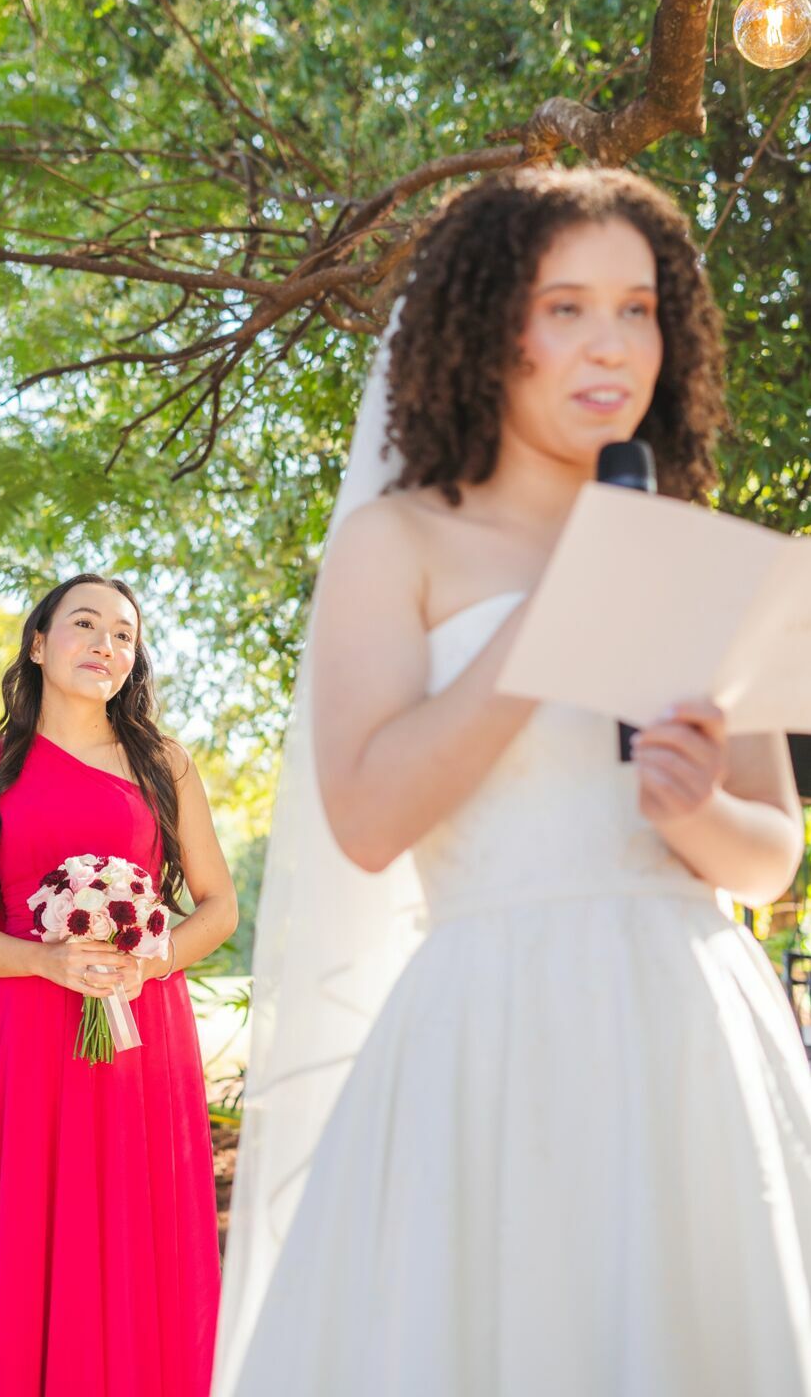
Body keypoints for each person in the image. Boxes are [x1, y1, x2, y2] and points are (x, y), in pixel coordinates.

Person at [214, 167, 811, 1397]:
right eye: (566, 308)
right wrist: (552, 609)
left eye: (636, 309)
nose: (611, 345)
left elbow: (771, 857)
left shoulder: (696, 547)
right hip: (488, 1036)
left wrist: (697, 807)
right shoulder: (399, 541)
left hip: (690, 1034)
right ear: (490, 326)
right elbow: (367, 818)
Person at [0, 573, 237, 1397]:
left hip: (141, 1034)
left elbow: (219, 906)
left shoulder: (164, 763)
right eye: (85, 624)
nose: (106, 644)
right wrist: (43, 961)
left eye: (124, 634)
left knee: (133, 1230)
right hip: (24, 1036)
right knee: (30, 1229)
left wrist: (151, 959)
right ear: (38, 643)